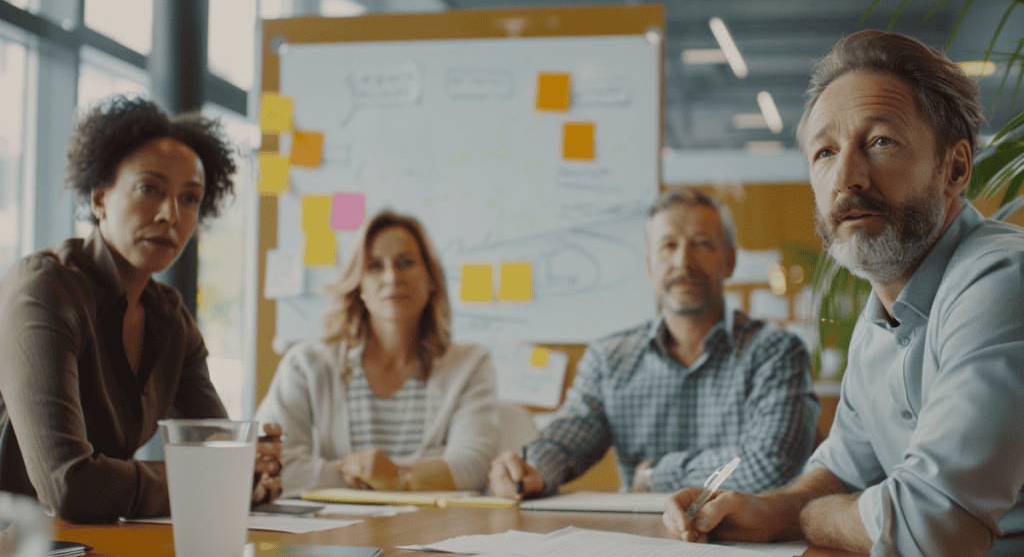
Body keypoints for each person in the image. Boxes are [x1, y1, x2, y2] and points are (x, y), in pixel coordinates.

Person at [663, 29, 1024, 557]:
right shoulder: (877, 323)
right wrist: (761, 511)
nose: (847, 178)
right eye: (825, 152)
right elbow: (839, 472)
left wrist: (811, 518)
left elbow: (935, 527)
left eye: (880, 141)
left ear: (956, 168)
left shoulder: (1002, 280)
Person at [0, 96, 282, 523]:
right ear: (99, 198)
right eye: (150, 188)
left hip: (87, 543)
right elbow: (70, 486)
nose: (171, 214)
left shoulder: (169, 318)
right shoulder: (44, 288)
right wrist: (210, 480)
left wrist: (254, 473)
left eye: (190, 198)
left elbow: (225, 454)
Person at [489, 187, 820, 499]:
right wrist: (532, 468)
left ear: (729, 261)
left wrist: (655, 476)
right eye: (668, 246)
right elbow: (569, 438)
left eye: (702, 243)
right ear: (649, 265)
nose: (683, 262)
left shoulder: (776, 352)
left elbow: (769, 468)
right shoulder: (610, 359)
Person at [256, 210, 499, 497]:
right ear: (359, 285)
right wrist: (367, 475)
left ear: (432, 279)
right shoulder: (305, 365)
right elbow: (270, 466)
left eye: (406, 262)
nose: (392, 277)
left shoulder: (470, 364)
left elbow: (473, 466)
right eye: (374, 266)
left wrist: (395, 477)